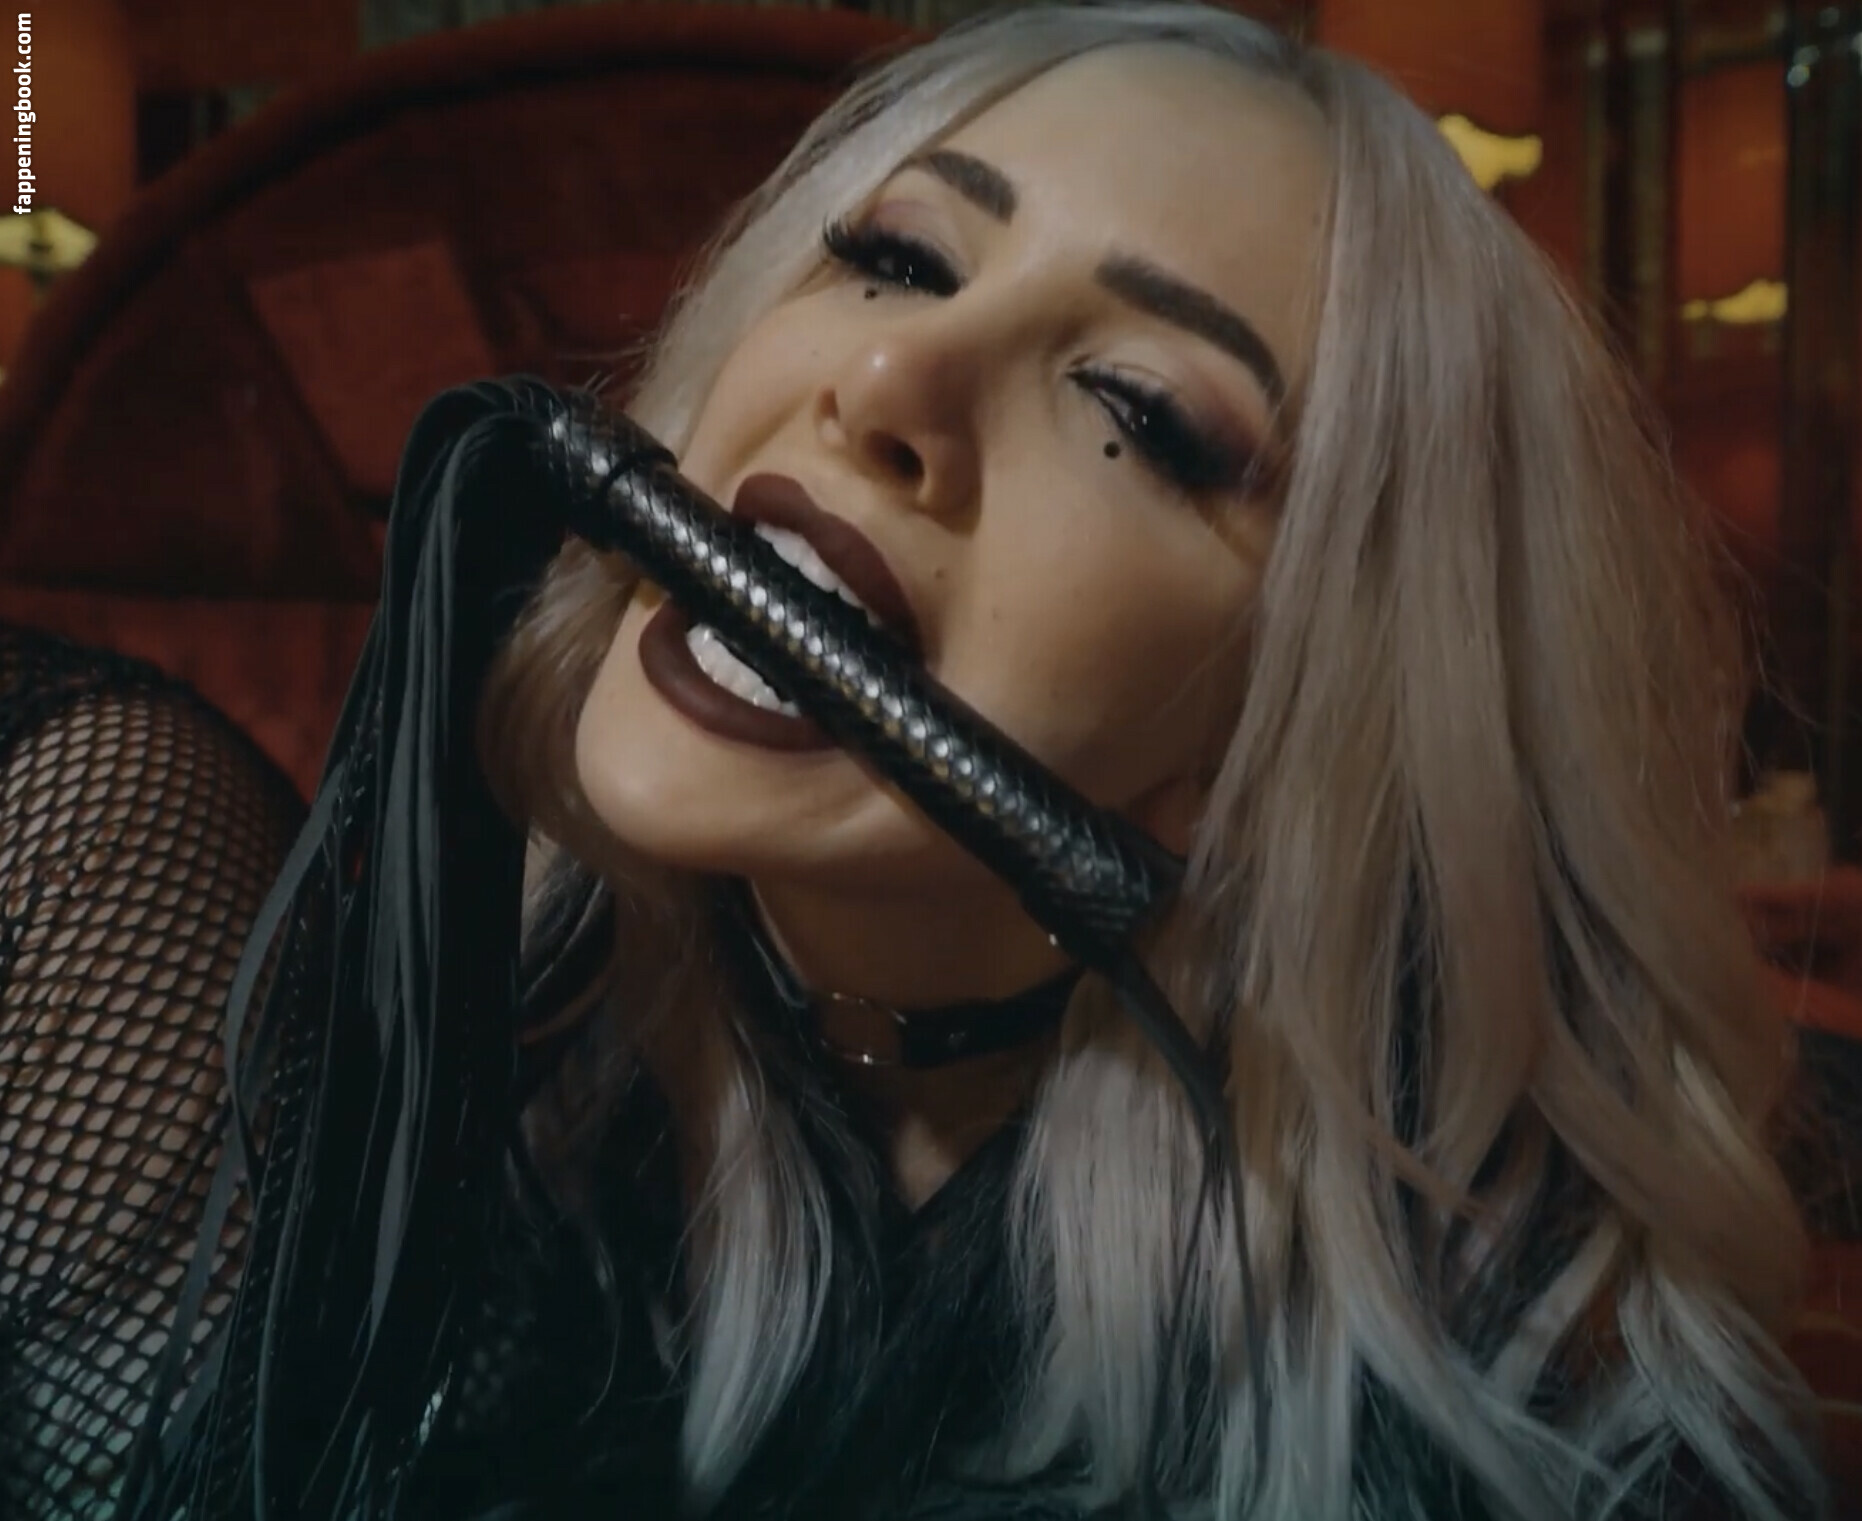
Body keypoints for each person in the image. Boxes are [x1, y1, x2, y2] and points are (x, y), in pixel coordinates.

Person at [0, 3, 1832, 1518]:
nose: (884, 385)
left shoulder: (1537, 1437)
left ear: (1293, 726)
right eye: (893, 257)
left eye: (1138, 410)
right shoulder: (447, 1045)